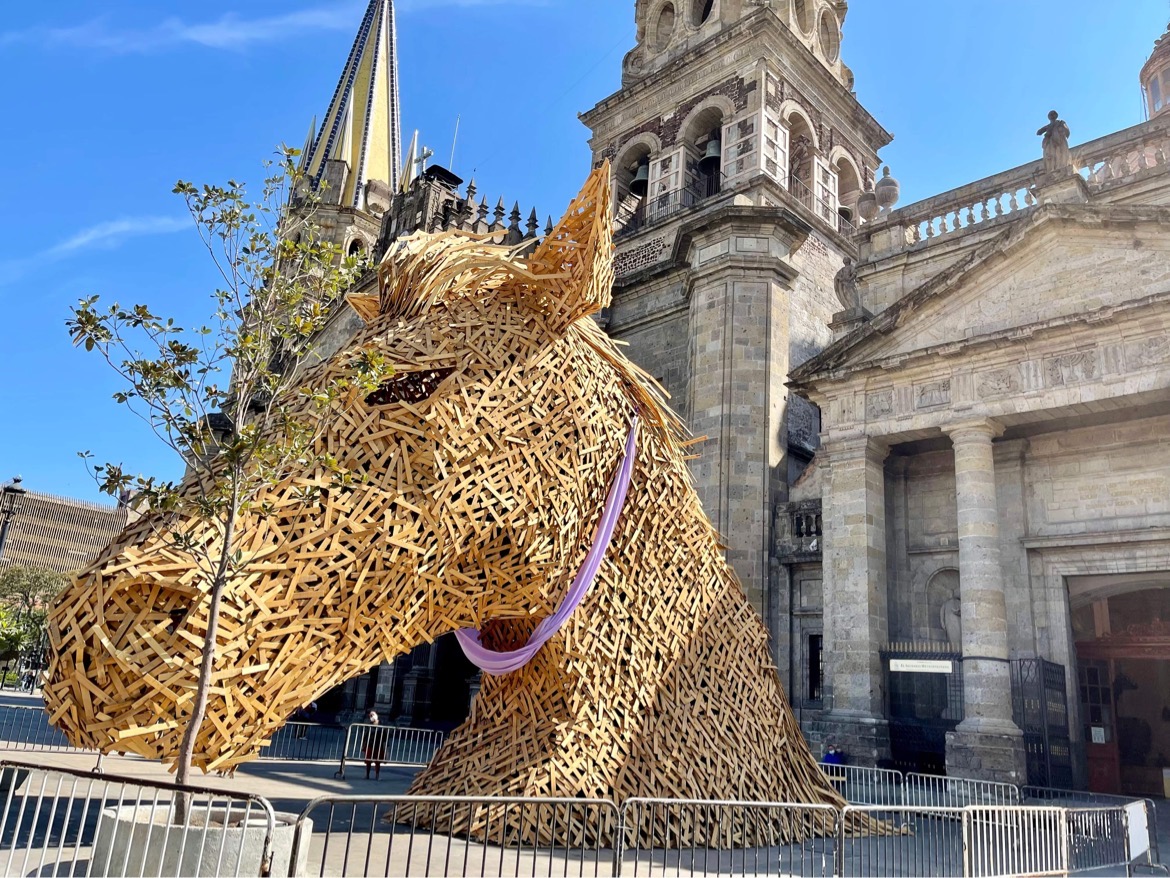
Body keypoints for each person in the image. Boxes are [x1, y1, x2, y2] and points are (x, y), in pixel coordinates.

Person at [363, 709, 388, 780]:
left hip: (378, 745)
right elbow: (366, 735)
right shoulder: (369, 725)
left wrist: (385, 747)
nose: (371, 716)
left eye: (373, 714)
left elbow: (385, 736)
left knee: (377, 761)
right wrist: (364, 745)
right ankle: (367, 775)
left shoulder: (381, 725)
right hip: (370, 744)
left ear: (377, 715)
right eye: (370, 715)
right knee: (368, 761)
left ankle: (377, 775)